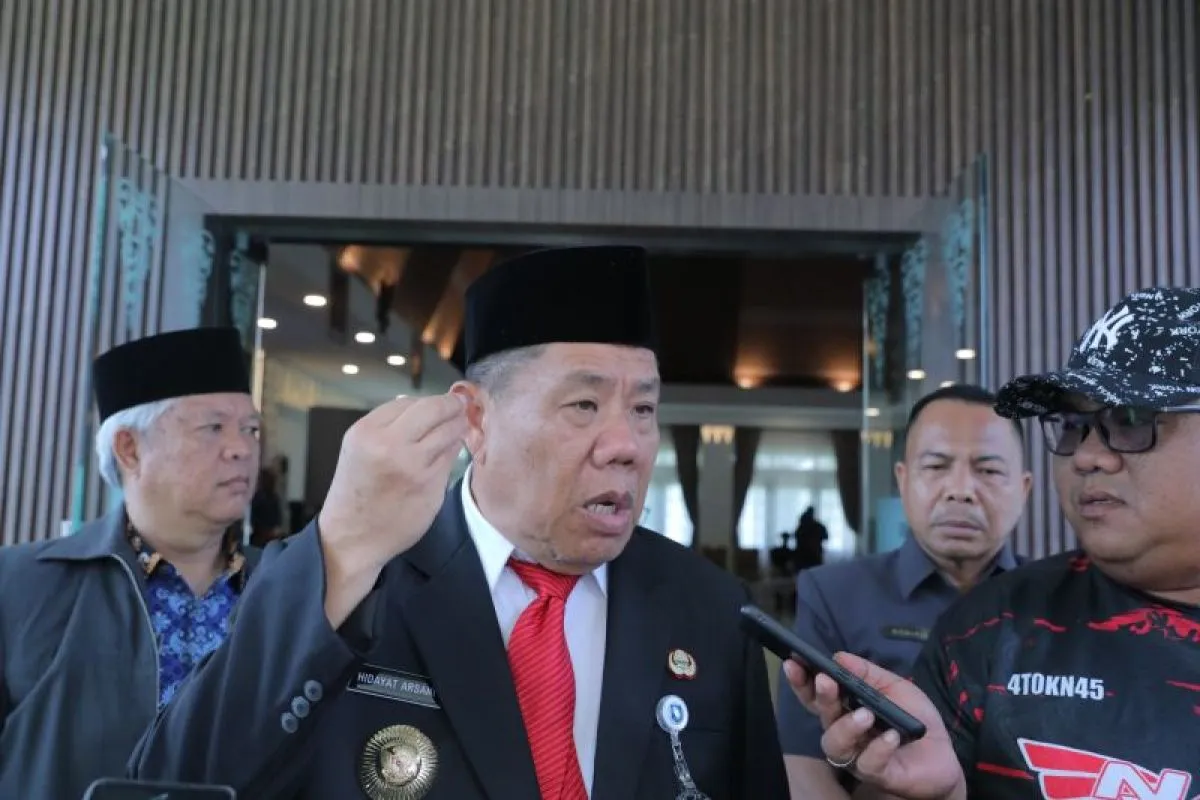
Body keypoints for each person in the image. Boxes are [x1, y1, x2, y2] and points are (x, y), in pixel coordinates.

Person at [129, 246, 789, 800]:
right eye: (584, 405)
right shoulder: (354, 580)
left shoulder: (707, 608)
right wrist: (344, 547)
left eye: (643, 410)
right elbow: (173, 784)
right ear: (475, 418)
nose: (626, 445)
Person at [784, 287, 1200, 799]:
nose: (1087, 456)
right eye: (1074, 426)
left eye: (1131, 420)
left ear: (1021, 487)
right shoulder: (986, 630)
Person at [0, 327, 263, 800]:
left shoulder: (283, 587)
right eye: (213, 428)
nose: (241, 449)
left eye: (251, 429)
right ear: (130, 449)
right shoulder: (18, 586)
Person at [777, 384, 1031, 798]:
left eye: (988, 470)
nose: (961, 490)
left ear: (1024, 489)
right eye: (936, 466)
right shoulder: (834, 595)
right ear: (903, 478)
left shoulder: (1059, 604)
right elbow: (803, 764)